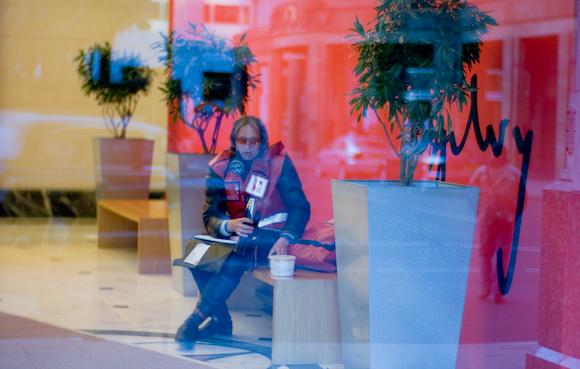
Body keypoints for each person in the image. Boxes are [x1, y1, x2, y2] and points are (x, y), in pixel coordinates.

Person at [175, 115, 311, 348]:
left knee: (239, 252)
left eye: (254, 141)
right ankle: (221, 320)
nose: (248, 146)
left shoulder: (278, 163)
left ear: (262, 142)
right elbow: (210, 216)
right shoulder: (220, 167)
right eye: (243, 140)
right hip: (236, 235)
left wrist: (285, 238)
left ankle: (195, 318)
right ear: (234, 142)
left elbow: (300, 207)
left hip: (272, 238)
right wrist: (229, 225)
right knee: (196, 253)